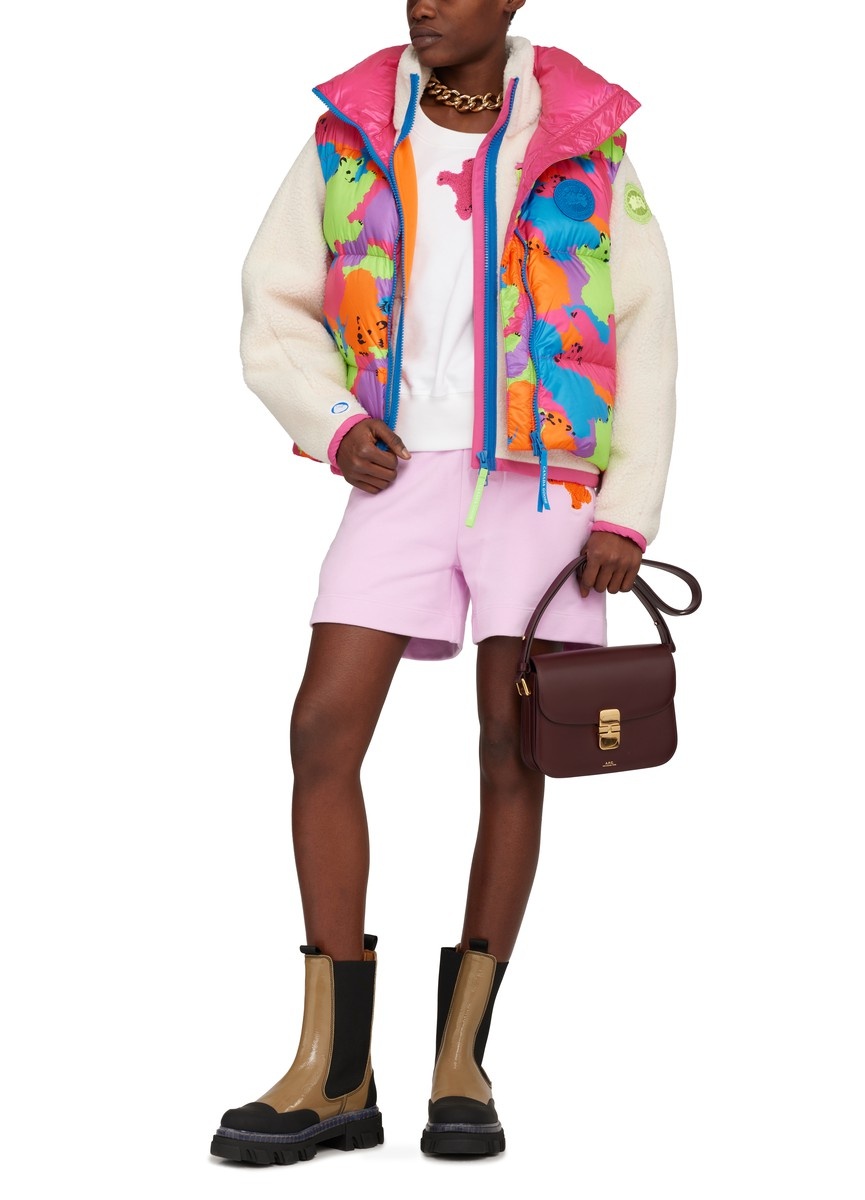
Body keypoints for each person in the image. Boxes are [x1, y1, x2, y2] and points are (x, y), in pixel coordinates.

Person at [210, 0, 677, 1166]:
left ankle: (461, 1063)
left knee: (512, 747)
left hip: (544, 484)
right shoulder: (353, 130)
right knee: (321, 730)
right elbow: (274, 294)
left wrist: (625, 507)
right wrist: (329, 420)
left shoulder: (582, 134)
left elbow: (645, 325)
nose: (424, 3)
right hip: (399, 472)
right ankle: (335, 1069)